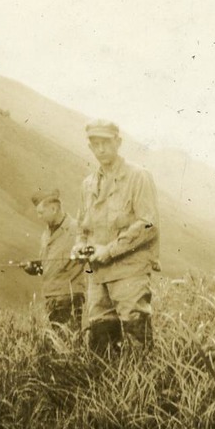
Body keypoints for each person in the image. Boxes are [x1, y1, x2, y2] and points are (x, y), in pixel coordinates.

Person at [72, 120, 160, 353]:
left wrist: (109, 250)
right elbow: (82, 226)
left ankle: (143, 388)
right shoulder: (88, 184)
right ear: (90, 147)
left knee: (136, 337)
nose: (100, 149)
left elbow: (148, 224)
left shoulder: (138, 177)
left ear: (118, 143)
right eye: (95, 144)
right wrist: (79, 246)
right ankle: (105, 388)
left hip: (129, 271)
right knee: (100, 339)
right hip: (97, 276)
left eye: (106, 143)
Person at [19, 188, 87, 330]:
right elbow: (47, 266)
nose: (39, 217)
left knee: (68, 343)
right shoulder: (46, 234)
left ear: (54, 208)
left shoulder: (77, 230)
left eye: (41, 212)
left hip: (70, 297)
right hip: (51, 299)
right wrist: (31, 267)